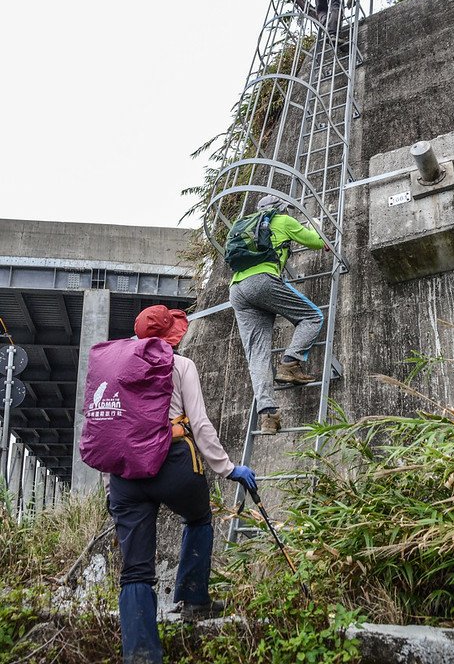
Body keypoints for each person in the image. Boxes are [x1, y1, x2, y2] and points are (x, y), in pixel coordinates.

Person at [108, 304, 256, 664]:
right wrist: (228, 468)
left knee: (136, 569)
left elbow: (107, 423)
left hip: (126, 472)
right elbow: (201, 424)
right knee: (198, 518)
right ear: (171, 335)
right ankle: (193, 600)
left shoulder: (115, 367)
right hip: (173, 462)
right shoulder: (180, 365)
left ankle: (141, 656)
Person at [229, 195, 329, 435]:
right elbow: (317, 242)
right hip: (263, 281)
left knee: (257, 355)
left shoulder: (241, 227)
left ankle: (268, 416)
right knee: (312, 317)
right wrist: (320, 229)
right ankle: (289, 363)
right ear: (281, 209)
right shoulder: (283, 220)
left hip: (237, 290)